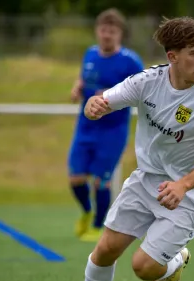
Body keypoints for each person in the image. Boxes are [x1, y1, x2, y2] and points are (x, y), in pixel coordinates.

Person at [60, 16, 194, 281]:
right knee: (105, 250)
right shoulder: (147, 82)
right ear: (173, 57)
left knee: (143, 268)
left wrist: (183, 185)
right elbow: (102, 100)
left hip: (191, 195)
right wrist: (93, 106)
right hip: (146, 181)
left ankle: (175, 261)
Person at [69, 8, 144, 242]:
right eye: (103, 30)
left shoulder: (131, 61)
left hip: (112, 130)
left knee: (102, 181)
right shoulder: (90, 54)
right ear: (97, 31)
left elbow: (142, 91)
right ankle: (87, 210)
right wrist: (77, 87)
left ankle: (98, 226)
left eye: (112, 31)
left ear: (120, 34)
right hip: (86, 126)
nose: (107, 35)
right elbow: (85, 77)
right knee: (76, 178)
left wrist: (112, 96)